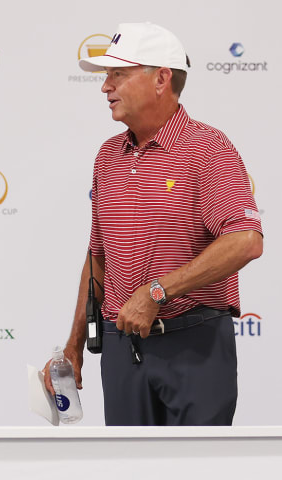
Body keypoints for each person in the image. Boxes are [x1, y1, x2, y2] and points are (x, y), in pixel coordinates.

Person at [45, 22, 263, 425]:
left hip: (194, 347)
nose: (105, 87)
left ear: (162, 78)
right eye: (106, 76)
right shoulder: (108, 155)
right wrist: (73, 345)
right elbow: (98, 257)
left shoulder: (208, 148)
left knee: (196, 469)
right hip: (119, 348)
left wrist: (158, 291)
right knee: (128, 468)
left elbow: (246, 240)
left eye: (118, 75)